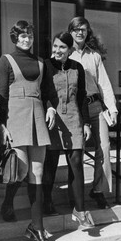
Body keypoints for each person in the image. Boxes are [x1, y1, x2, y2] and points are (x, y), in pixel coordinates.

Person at [0, 20, 55, 241]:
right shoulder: (6, 61)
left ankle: (37, 226)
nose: (26, 38)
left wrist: (50, 106)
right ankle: (7, 202)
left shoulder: (41, 62)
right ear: (15, 37)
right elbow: (0, 96)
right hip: (15, 118)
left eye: (29, 34)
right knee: (20, 169)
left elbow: (48, 91)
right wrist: (2, 126)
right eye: (22, 35)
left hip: (38, 116)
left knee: (37, 172)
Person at [42, 32, 94, 229]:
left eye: (62, 47)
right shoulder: (46, 66)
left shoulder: (77, 67)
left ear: (70, 50)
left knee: (76, 163)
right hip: (52, 119)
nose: (57, 51)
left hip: (73, 119)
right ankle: (47, 201)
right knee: (50, 164)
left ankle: (80, 210)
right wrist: (48, 107)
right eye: (55, 46)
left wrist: (87, 123)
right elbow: (43, 93)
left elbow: (82, 96)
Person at [68, 17, 118, 209]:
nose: (80, 33)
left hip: (95, 106)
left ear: (88, 32)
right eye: (76, 29)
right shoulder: (65, 54)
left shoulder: (94, 56)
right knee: (76, 151)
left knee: (104, 147)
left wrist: (112, 108)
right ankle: (75, 193)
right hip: (75, 109)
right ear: (70, 31)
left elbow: (104, 84)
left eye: (84, 29)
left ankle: (98, 190)